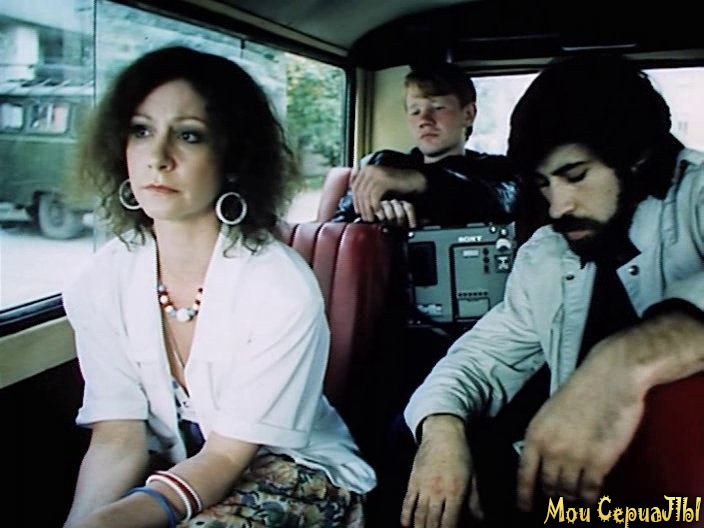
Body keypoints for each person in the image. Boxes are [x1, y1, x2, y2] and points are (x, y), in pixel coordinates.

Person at [62, 46, 375, 528]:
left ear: (233, 157)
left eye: (189, 135)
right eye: (141, 131)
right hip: (183, 469)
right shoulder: (99, 282)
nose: (157, 158)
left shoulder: (280, 287)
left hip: (294, 469)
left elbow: (227, 456)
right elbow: (116, 439)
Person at [400, 54, 704, 528]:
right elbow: (482, 357)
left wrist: (624, 359)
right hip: (588, 501)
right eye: (544, 184)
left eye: (575, 176)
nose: (558, 207)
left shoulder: (696, 197)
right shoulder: (546, 253)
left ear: (637, 157)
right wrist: (440, 428)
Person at [331, 62, 517, 228]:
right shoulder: (385, 164)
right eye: (415, 111)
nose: (424, 120)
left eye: (438, 108)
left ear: (468, 114)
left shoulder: (495, 169)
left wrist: (416, 181)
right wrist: (374, 220)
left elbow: (503, 198)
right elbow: (339, 230)